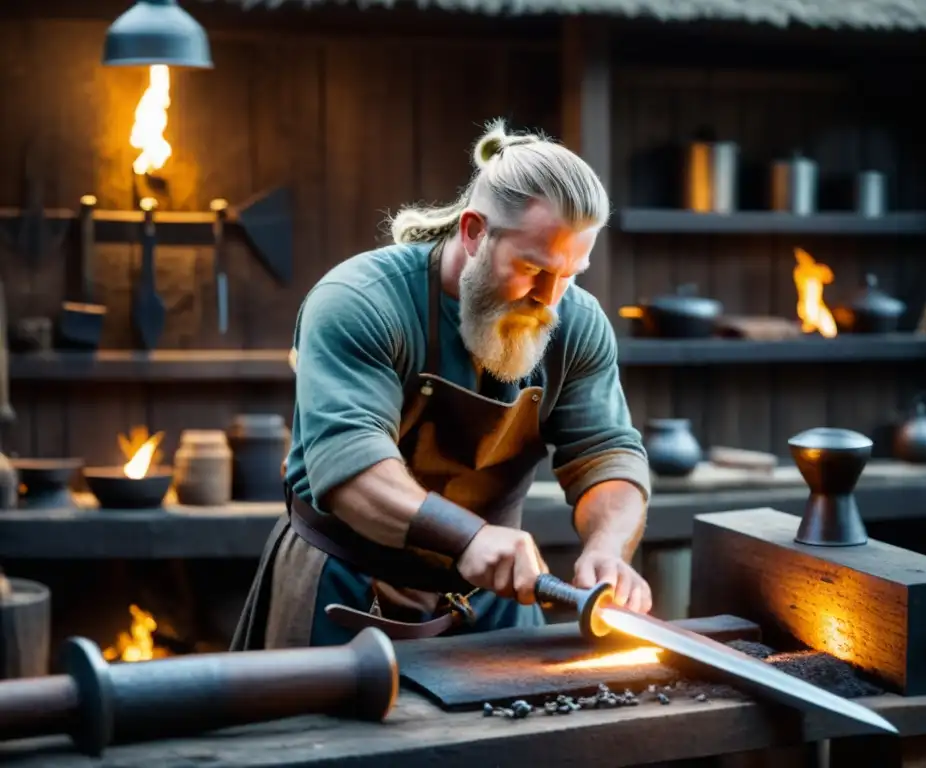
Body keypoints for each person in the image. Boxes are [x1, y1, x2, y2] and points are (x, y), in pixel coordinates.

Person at [231, 119, 653, 650]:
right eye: (532, 268)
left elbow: (606, 452)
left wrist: (608, 550)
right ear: (475, 231)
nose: (550, 297)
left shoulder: (576, 320)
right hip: (345, 586)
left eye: (571, 273)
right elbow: (350, 466)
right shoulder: (360, 301)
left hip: (496, 599)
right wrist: (468, 538)